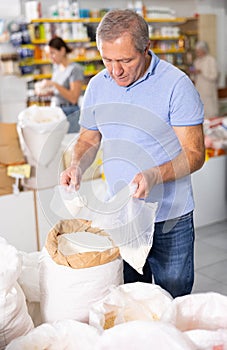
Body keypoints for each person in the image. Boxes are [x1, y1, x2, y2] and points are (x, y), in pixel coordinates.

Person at [60, 9, 205, 298]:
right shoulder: (98, 86)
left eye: (125, 60)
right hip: (121, 218)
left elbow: (195, 153)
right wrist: (76, 165)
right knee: (128, 301)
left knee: (171, 301)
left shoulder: (176, 85)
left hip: (169, 219)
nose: (115, 71)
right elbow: (89, 139)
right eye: (107, 60)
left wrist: (154, 175)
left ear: (146, 48)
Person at [40, 37, 84, 133]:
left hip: (70, 113)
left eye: (53, 53)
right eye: (49, 54)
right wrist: (49, 93)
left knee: (69, 144)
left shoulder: (74, 69)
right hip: (57, 111)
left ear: (62, 51)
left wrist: (54, 85)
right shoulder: (56, 68)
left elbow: (73, 98)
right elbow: (60, 92)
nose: (50, 57)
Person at [192, 40, 219, 118]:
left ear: (204, 50)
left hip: (209, 90)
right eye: (196, 52)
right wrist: (194, 73)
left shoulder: (211, 60)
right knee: (201, 113)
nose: (197, 53)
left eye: (199, 51)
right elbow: (195, 78)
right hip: (199, 90)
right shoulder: (196, 61)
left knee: (211, 113)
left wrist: (202, 72)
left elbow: (214, 76)